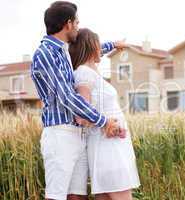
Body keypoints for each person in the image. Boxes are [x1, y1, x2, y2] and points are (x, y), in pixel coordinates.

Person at [30, 1, 126, 199]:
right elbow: (66, 97)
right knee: (56, 195)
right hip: (60, 134)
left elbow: (88, 51)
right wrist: (104, 121)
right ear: (68, 24)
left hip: (78, 134)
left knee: (77, 196)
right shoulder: (45, 54)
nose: (78, 26)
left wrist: (113, 45)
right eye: (77, 22)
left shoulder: (64, 49)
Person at [70, 28, 140, 200]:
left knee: (107, 195)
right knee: (120, 192)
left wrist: (115, 44)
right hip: (108, 145)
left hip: (110, 143)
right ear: (92, 46)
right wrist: (107, 124)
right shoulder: (84, 73)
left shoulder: (90, 72)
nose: (100, 49)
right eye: (97, 44)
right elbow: (81, 116)